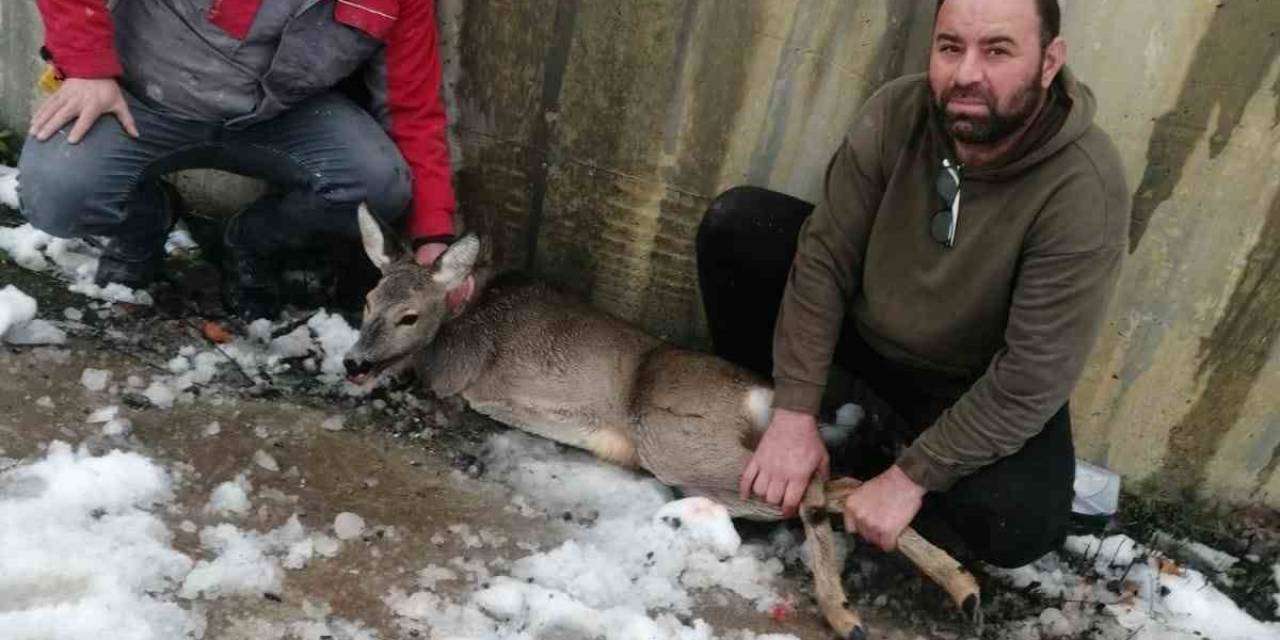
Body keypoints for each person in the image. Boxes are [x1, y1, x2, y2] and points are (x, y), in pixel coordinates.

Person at [697, 0, 1130, 568]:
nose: (966, 74)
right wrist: (794, 411)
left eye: (997, 50)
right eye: (950, 47)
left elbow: (1031, 377)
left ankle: (883, 468)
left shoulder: (1084, 188)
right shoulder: (897, 112)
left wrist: (910, 478)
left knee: (1019, 522)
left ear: (1050, 62)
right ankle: (798, 430)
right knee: (738, 227)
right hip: (868, 328)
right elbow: (825, 258)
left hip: (966, 384)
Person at [19, 0, 456, 319]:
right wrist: (87, 67)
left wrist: (433, 236)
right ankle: (145, 220)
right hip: (142, 99)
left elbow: (411, 109)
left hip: (276, 117)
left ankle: (249, 242)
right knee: (57, 194)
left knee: (379, 185)